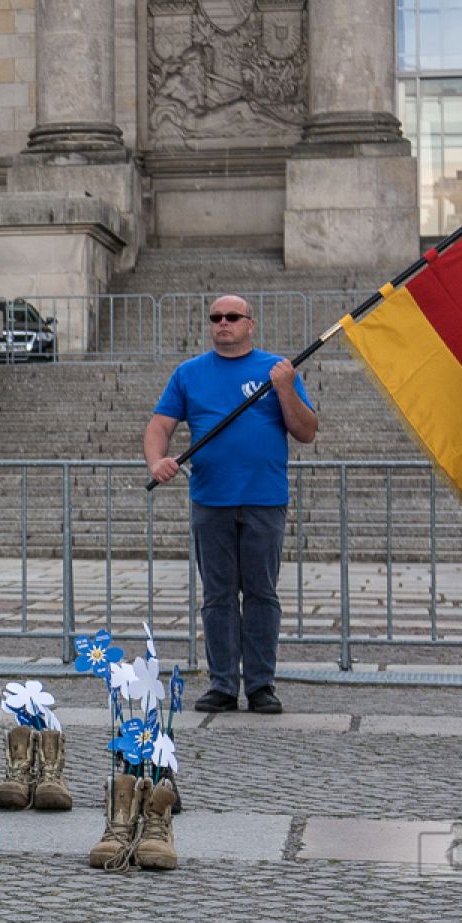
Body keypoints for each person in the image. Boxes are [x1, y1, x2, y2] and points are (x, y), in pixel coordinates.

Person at [144, 294, 316, 715]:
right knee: (218, 596)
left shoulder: (277, 370)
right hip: (211, 499)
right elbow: (159, 425)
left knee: (261, 594)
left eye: (232, 317)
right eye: (216, 317)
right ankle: (223, 684)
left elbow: (307, 430)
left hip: (264, 499)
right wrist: (157, 460)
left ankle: (260, 685)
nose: (223, 323)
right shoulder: (189, 374)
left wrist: (284, 389)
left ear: (250, 323)